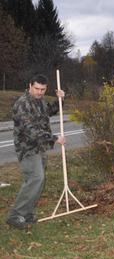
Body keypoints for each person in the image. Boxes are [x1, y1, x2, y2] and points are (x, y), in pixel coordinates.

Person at [6, 74, 66, 230]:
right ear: (30, 86)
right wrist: (54, 138)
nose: (40, 92)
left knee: (37, 182)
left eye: (43, 89)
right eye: (37, 88)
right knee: (36, 178)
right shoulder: (22, 104)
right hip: (27, 149)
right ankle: (15, 215)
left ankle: (27, 214)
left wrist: (60, 100)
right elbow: (30, 131)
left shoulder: (40, 102)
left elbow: (50, 111)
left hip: (40, 148)